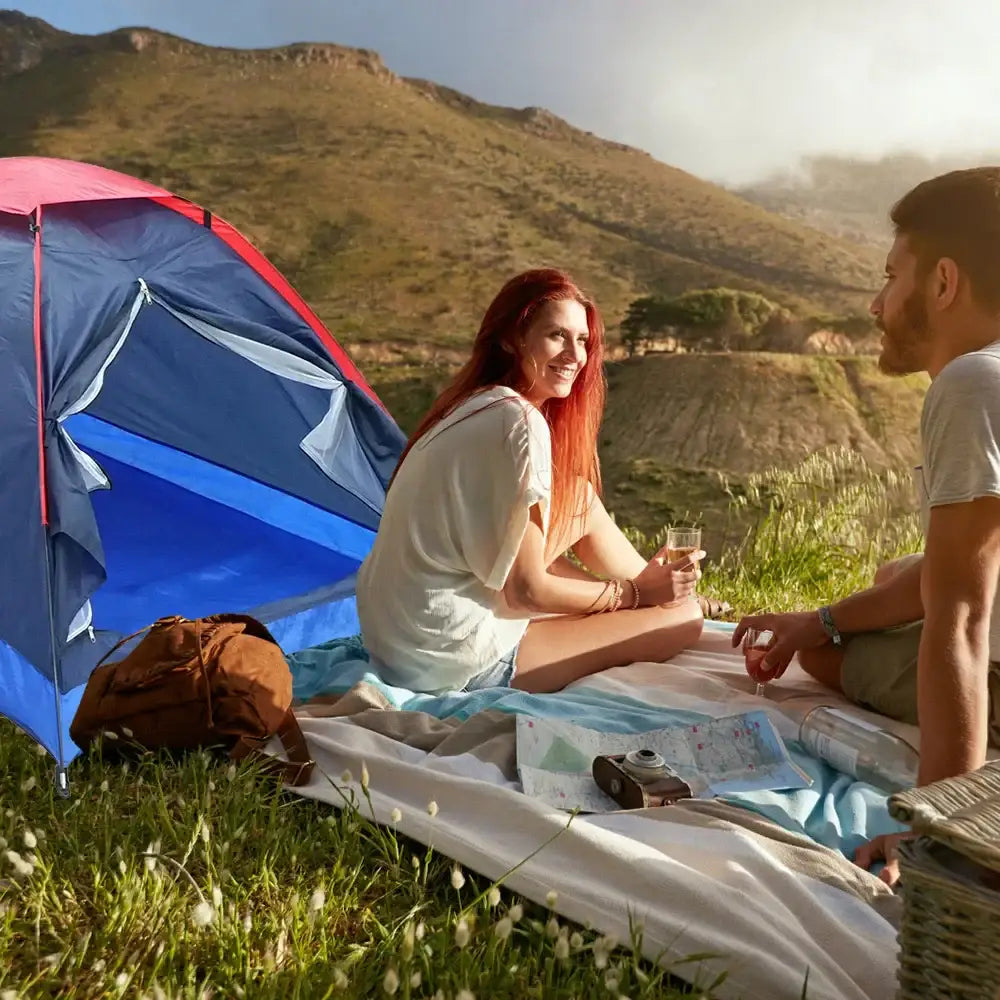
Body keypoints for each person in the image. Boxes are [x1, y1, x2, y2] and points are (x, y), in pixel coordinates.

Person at [733, 167, 1000, 885]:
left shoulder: (972, 383)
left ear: (943, 284)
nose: (878, 304)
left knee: (828, 658)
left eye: (891, 277)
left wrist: (943, 836)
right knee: (891, 579)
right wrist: (815, 615)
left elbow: (962, 618)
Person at [356, 268, 704, 696]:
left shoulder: (472, 405)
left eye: (583, 341)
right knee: (685, 620)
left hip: (397, 641)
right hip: (447, 657)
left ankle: (660, 589)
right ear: (512, 338)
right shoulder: (518, 421)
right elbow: (525, 591)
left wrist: (631, 591)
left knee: (575, 496)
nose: (575, 355)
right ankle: (660, 597)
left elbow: (520, 557)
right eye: (557, 335)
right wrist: (628, 596)